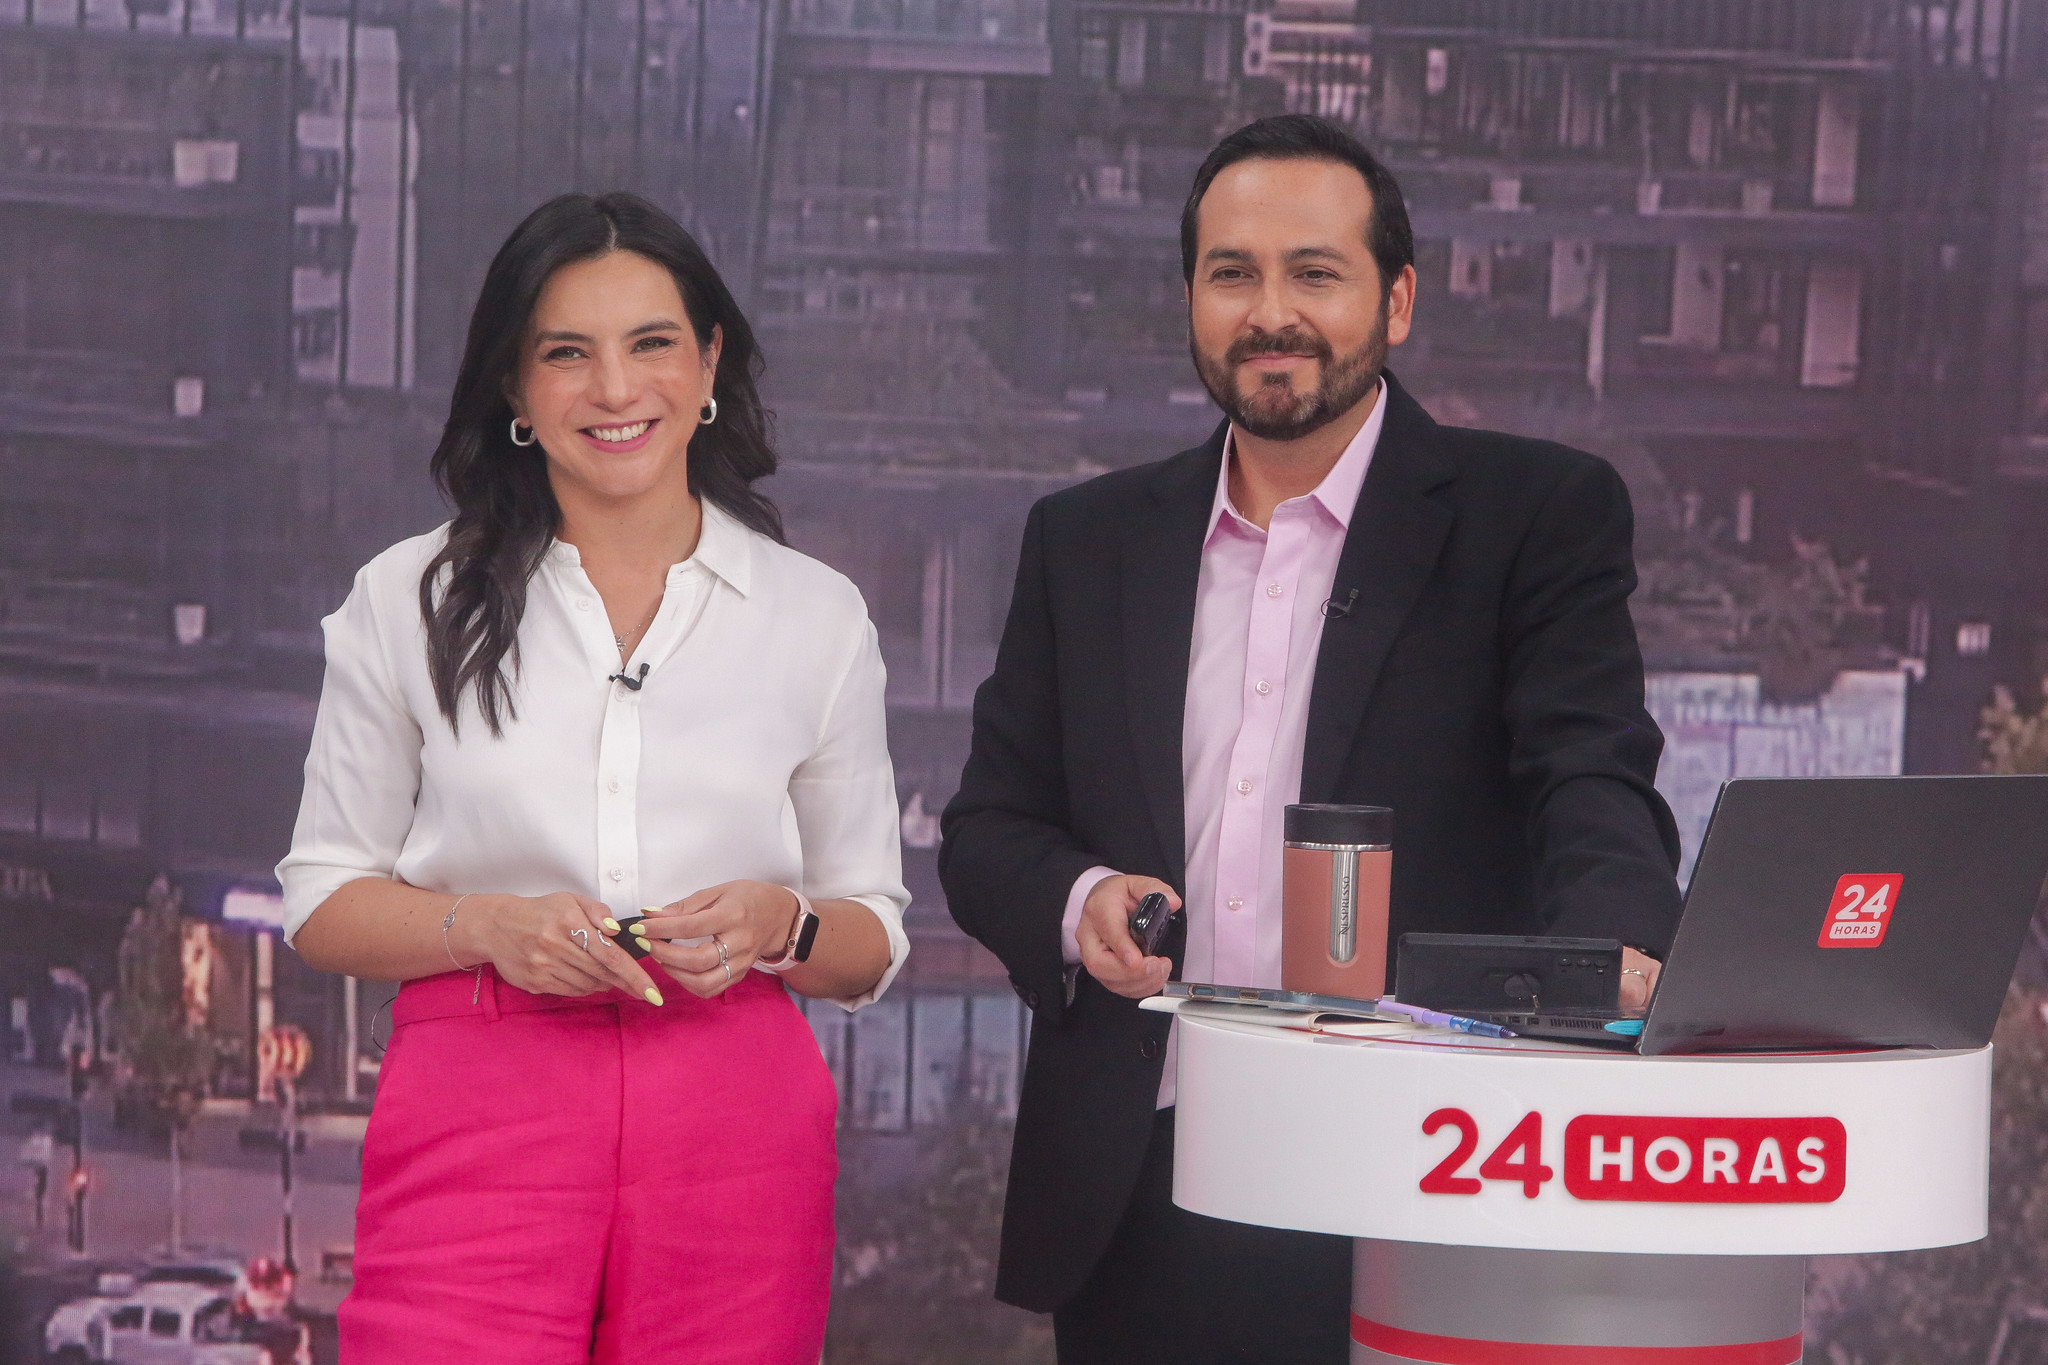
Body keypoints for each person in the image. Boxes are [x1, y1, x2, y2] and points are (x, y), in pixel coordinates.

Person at [939, 114, 1684, 1362]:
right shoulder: (1085, 541)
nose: (1269, 313)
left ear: (1395, 301)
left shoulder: (1532, 514)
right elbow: (985, 829)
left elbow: (1588, 774)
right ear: (1189, 298)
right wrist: (1078, 902)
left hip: (1427, 1165)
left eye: (1314, 273)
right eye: (1231, 273)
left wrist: (1608, 955)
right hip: (1145, 1180)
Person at [278, 191, 909, 1364]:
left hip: (735, 1112)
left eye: (650, 344)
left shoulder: (816, 618)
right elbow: (322, 902)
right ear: (515, 390)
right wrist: (487, 926)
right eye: (566, 353)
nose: (615, 389)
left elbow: (869, 936)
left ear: (707, 362)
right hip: (478, 1095)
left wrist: (779, 923)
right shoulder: (405, 600)